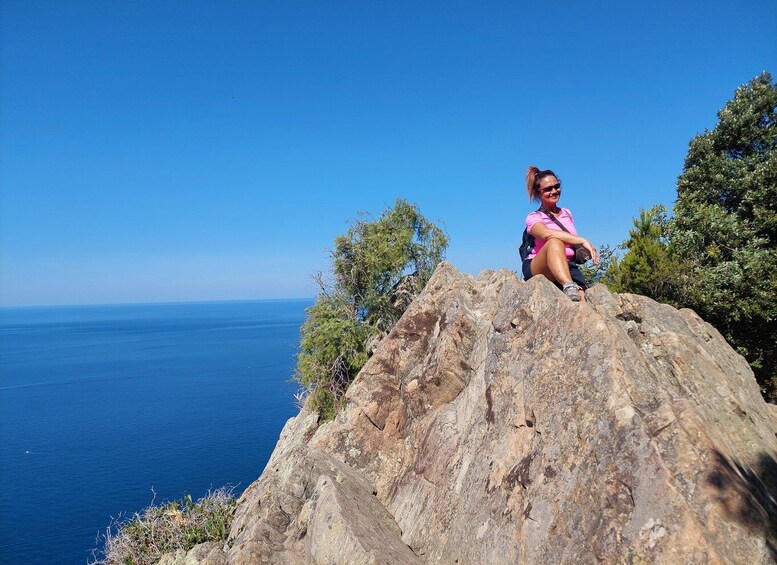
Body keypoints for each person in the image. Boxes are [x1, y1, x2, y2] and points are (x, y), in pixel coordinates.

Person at [522, 166, 599, 302]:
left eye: (556, 186)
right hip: (539, 265)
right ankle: (569, 286)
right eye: (548, 189)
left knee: (585, 301)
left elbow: (570, 240)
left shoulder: (567, 213)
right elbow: (546, 234)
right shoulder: (534, 217)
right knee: (554, 241)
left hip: (567, 264)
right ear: (538, 193)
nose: (554, 191)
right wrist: (581, 240)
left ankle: (570, 286)